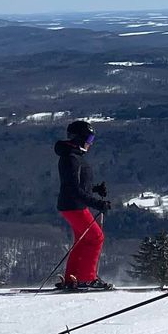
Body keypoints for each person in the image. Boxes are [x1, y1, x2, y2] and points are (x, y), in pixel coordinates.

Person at [53, 120, 111, 292]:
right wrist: (97, 203)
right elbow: (73, 190)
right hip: (74, 206)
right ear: (79, 138)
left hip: (71, 205)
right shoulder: (71, 159)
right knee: (96, 238)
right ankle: (87, 278)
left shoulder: (73, 156)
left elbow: (75, 186)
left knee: (83, 240)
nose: (90, 143)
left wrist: (94, 189)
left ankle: (73, 278)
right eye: (89, 138)